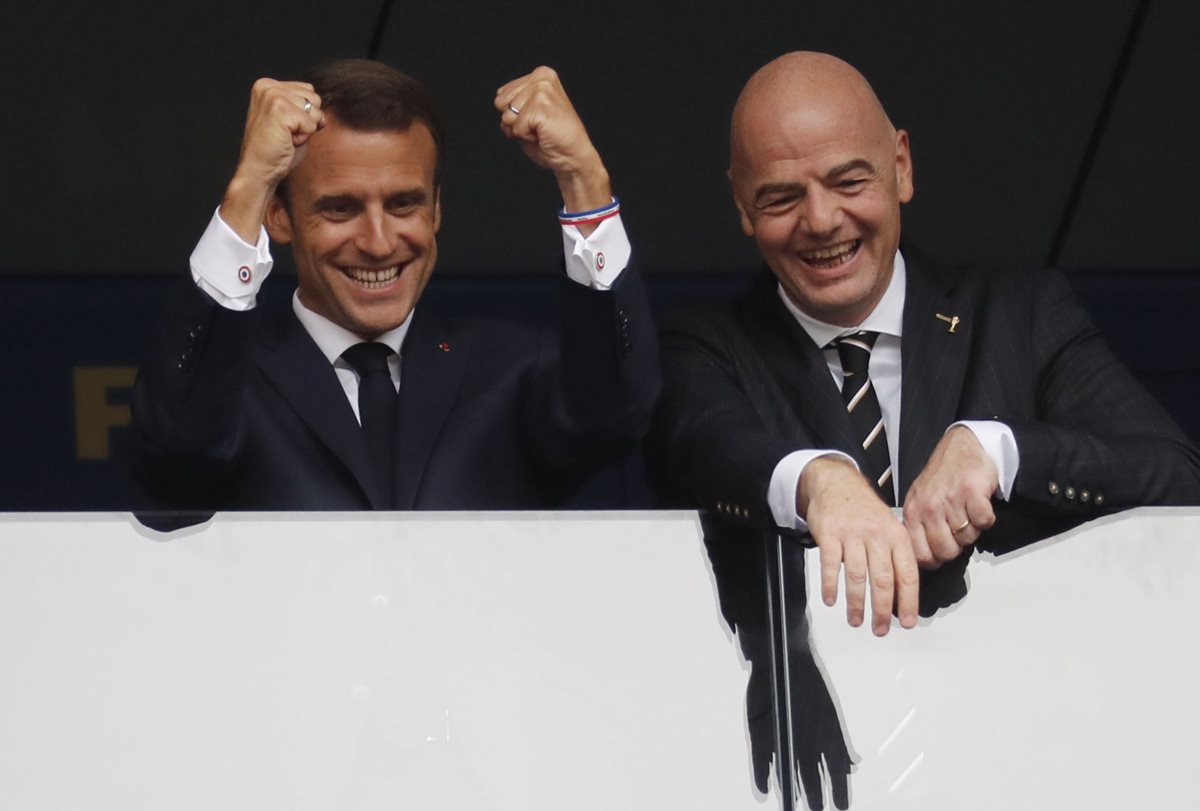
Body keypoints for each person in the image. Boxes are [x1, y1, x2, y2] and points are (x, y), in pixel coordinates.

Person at [652, 51, 1200, 636]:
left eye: (849, 182)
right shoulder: (703, 350)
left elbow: (1176, 476)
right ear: (742, 206)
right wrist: (818, 480)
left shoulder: (1023, 316)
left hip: (1021, 700)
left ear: (902, 167)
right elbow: (704, 450)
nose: (820, 220)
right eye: (782, 198)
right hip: (811, 716)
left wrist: (997, 452)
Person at [132, 59, 658, 513]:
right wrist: (247, 187)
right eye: (340, 208)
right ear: (279, 217)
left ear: (436, 211)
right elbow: (176, 452)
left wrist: (584, 178)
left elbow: (616, 416)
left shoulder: (512, 371)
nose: (379, 242)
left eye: (404, 203)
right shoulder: (227, 381)